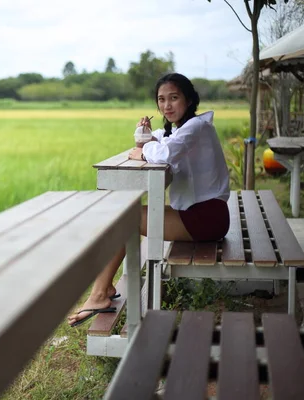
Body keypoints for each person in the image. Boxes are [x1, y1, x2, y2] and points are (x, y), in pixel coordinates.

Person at [68, 72, 231, 327]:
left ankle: (100, 294)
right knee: (126, 215)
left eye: (174, 98)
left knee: (126, 218)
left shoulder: (197, 127)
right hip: (202, 215)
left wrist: (141, 151)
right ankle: (103, 290)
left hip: (206, 219)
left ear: (189, 100)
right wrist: (144, 137)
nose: (166, 105)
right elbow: (163, 142)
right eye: (161, 99)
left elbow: (164, 153)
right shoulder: (184, 129)